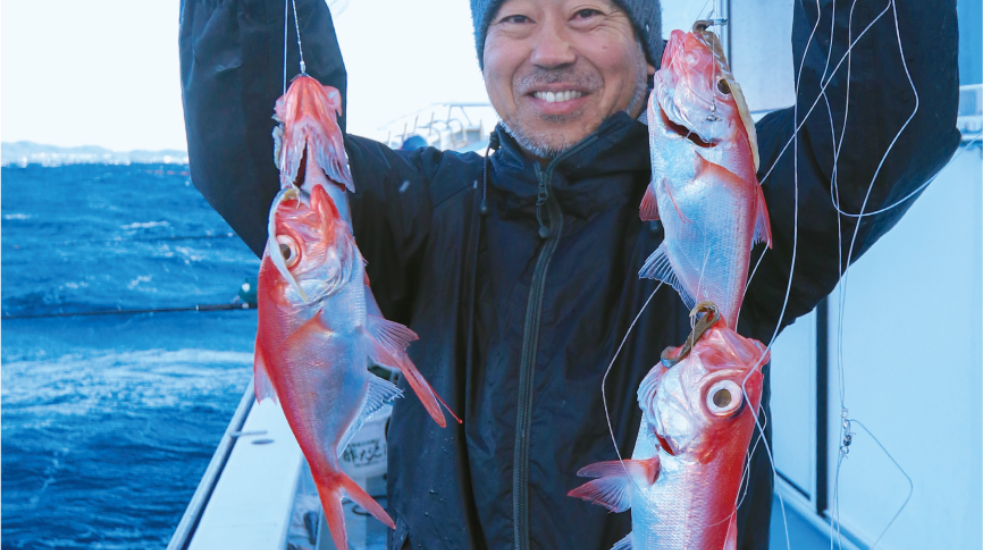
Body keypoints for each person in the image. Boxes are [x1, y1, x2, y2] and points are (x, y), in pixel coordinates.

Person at [179, 0, 960, 548]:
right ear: (485, 52)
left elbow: (886, 120)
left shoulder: (725, 200)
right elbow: (258, 153)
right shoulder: (420, 210)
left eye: (588, 14)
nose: (550, 50)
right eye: (515, 20)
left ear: (647, 51)